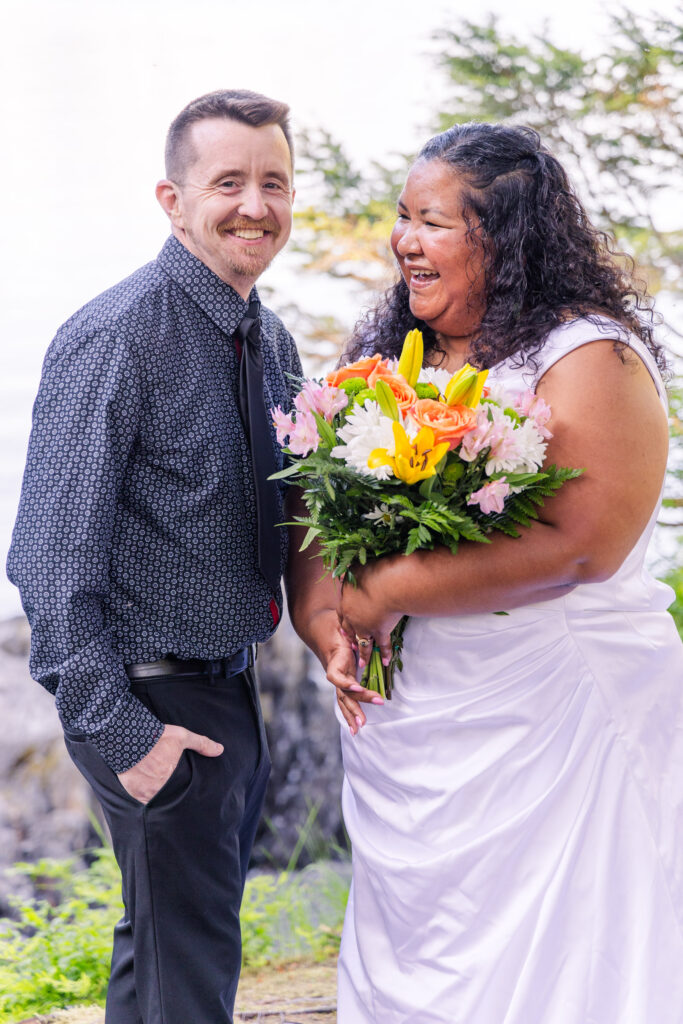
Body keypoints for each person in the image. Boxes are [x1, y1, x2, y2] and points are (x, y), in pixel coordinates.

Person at [287, 123, 683, 1022]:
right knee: (428, 943)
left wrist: (383, 592)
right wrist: (324, 620)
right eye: (401, 217)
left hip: (559, 708)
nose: (404, 242)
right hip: (417, 720)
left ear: (501, 236)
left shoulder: (587, 355)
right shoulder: (392, 354)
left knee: (573, 939)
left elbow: (580, 544)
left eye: (431, 222)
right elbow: (316, 502)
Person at [7, 89, 302, 1024]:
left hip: (229, 691)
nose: (255, 205)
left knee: (166, 962)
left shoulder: (271, 339)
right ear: (172, 200)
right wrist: (128, 737)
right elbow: (48, 557)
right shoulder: (117, 335)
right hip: (151, 701)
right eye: (228, 183)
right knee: (192, 974)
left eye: (274, 183)